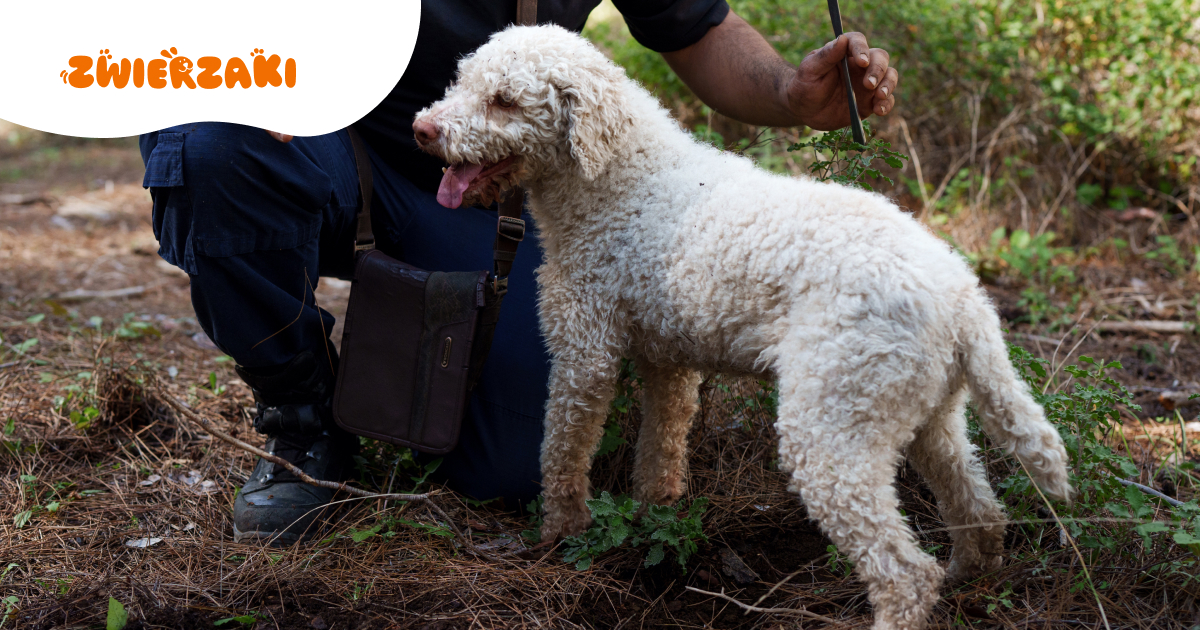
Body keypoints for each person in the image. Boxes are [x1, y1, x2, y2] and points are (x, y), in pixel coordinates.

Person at [139, 0, 899, 545]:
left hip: (486, 195)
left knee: (508, 468)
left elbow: (698, 29)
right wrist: (234, 64)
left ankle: (420, 330)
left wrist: (790, 93)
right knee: (208, 144)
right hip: (334, 154)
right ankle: (301, 421)